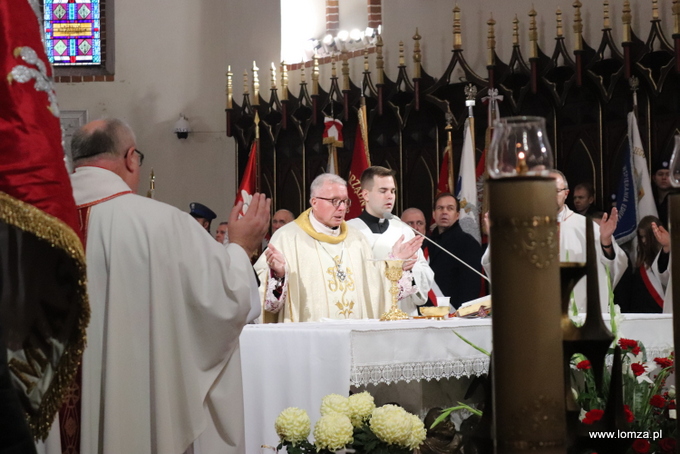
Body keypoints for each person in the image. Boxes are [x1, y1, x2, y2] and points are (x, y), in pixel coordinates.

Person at [67, 118, 270, 454]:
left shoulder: (36, 221)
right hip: (133, 410)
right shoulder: (164, 223)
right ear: (131, 158)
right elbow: (226, 300)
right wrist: (241, 246)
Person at [255, 173, 422, 323]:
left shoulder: (356, 239)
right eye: (334, 201)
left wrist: (394, 263)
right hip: (312, 339)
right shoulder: (288, 238)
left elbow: (373, 286)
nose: (342, 208)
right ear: (314, 202)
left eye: (345, 201)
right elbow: (264, 302)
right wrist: (279, 275)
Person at [482, 170, 627, 312]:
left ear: (566, 193)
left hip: (578, 316)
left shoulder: (587, 228)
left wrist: (606, 241)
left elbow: (614, 267)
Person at [347, 166, 432, 315]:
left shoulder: (402, 229)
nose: (390, 196)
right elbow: (348, 277)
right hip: (368, 315)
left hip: (403, 312)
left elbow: (425, 272)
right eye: (383, 191)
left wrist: (410, 269)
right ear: (365, 195)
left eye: (392, 191)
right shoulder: (349, 231)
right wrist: (394, 265)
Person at [429, 193, 485, 309]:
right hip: (427, 313)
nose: (444, 212)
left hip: (454, 314)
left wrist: (461, 314)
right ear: (434, 214)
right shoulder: (425, 242)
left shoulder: (468, 243)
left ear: (457, 215)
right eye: (440, 208)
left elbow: (471, 286)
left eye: (450, 208)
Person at [616, 216, 669, 313]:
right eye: (641, 237)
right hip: (641, 311)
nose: (644, 241)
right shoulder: (640, 259)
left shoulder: (667, 256)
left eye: (646, 237)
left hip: (660, 311)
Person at [652, 160, 671, 225]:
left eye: (668, 174)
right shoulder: (650, 198)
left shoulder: (676, 199)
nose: (664, 178)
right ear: (654, 178)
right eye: (660, 174)